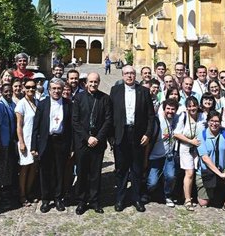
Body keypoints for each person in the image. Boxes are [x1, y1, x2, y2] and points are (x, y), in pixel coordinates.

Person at [110, 65, 155, 212]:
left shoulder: (144, 91)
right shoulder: (115, 91)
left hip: (138, 135)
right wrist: (111, 139)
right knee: (121, 169)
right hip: (121, 135)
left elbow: (150, 116)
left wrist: (148, 134)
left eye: (132, 73)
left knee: (136, 169)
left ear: (135, 76)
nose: (129, 76)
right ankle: (120, 199)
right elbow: (110, 116)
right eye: (126, 73)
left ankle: (136, 198)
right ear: (122, 75)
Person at [72, 72, 113, 215]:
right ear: (86, 83)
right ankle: (81, 201)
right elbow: (75, 121)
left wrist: (98, 137)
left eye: (96, 82)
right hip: (83, 142)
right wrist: (87, 137)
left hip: (98, 142)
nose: (93, 84)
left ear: (99, 82)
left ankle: (95, 200)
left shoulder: (105, 98)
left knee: (95, 173)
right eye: (91, 82)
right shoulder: (78, 97)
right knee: (82, 172)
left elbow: (108, 120)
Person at [32, 78, 73, 213]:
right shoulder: (43, 104)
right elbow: (36, 127)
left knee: (59, 171)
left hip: (61, 141)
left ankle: (58, 198)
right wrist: (34, 146)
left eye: (59, 88)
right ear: (49, 90)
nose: (56, 91)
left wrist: (71, 147)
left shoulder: (68, 104)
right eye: (54, 89)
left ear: (62, 90)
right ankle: (45, 199)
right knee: (45, 171)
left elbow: (71, 128)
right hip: (46, 141)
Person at [196, 110, 225, 216]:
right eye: (212, 121)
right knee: (203, 203)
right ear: (208, 121)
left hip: (223, 168)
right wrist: (219, 174)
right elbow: (205, 158)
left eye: (217, 121)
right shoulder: (201, 135)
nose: (214, 123)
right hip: (207, 171)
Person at [146, 98, 179, 207]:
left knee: (171, 176)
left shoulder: (175, 120)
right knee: (152, 182)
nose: (170, 111)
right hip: (155, 156)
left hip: (168, 156)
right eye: (168, 109)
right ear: (164, 109)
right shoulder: (157, 120)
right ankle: (147, 192)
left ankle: (168, 195)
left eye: (173, 109)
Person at [174, 96, 202, 211]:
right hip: (186, 147)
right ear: (186, 107)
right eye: (189, 106)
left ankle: (191, 195)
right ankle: (187, 199)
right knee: (189, 172)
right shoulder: (183, 117)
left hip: (198, 148)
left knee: (196, 172)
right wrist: (191, 141)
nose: (192, 108)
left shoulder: (202, 117)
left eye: (194, 105)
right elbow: (176, 134)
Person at [15, 78, 39, 207]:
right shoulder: (21, 104)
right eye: (28, 87)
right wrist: (21, 142)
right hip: (25, 139)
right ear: (24, 88)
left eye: (33, 87)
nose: (31, 89)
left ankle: (29, 192)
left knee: (33, 167)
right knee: (25, 168)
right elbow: (19, 125)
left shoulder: (37, 102)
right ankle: (22, 194)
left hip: (35, 140)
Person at [0, 81, 17, 201]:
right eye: (6, 91)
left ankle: (5, 187)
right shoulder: (0, 105)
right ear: (1, 92)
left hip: (10, 139)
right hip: (2, 140)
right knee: (1, 165)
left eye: (10, 91)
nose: (8, 93)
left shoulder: (12, 104)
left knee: (8, 164)